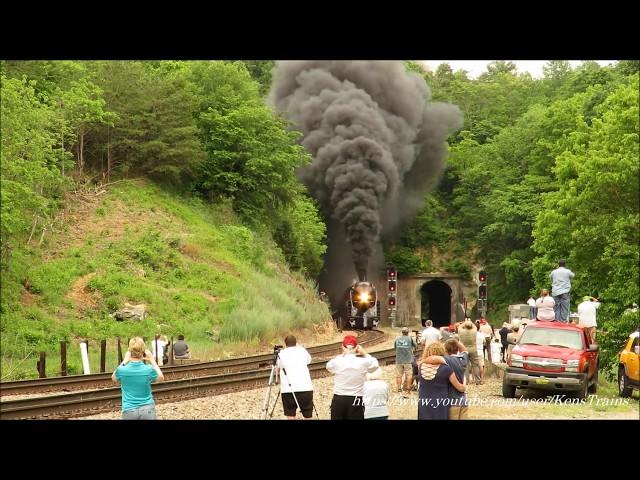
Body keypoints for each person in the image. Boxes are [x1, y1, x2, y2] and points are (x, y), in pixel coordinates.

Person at [326, 335, 379, 420]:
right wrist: (364, 353)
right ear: (357, 347)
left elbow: (328, 366)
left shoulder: (337, 361)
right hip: (356, 399)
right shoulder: (363, 362)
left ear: (342, 347)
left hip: (339, 398)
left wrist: (343, 354)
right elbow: (375, 365)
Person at [112, 337, 164, 420]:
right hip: (147, 409)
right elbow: (161, 378)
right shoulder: (148, 369)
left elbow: (114, 378)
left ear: (129, 351)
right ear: (143, 351)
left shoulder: (122, 369)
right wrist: (152, 360)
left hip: (129, 409)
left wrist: (125, 360)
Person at [417, 342, 466, 420]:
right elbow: (459, 387)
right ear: (442, 351)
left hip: (424, 402)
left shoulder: (420, 367)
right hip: (441, 403)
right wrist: (464, 387)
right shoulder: (446, 369)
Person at [277, 335, 314, 419]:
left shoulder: (281, 353)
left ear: (285, 344)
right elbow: (309, 361)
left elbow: (278, 366)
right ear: (296, 342)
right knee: (308, 414)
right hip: (305, 387)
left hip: (288, 389)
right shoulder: (302, 351)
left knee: (290, 413)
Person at [457, 319, 481, 384]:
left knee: (465, 365)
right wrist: (470, 321)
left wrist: (465, 322)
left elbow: (459, 326)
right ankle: (478, 380)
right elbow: (475, 326)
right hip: (473, 349)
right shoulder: (474, 331)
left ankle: (466, 381)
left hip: (464, 349)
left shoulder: (461, 331)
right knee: (475, 365)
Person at [394, 327, 416, 395]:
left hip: (399, 360)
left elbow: (395, 347)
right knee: (409, 374)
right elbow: (415, 345)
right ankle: (408, 389)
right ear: (408, 332)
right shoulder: (410, 338)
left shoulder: (397, 338)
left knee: (399, 375)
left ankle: (399, 389)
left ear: (402, 332)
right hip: (408, 360)